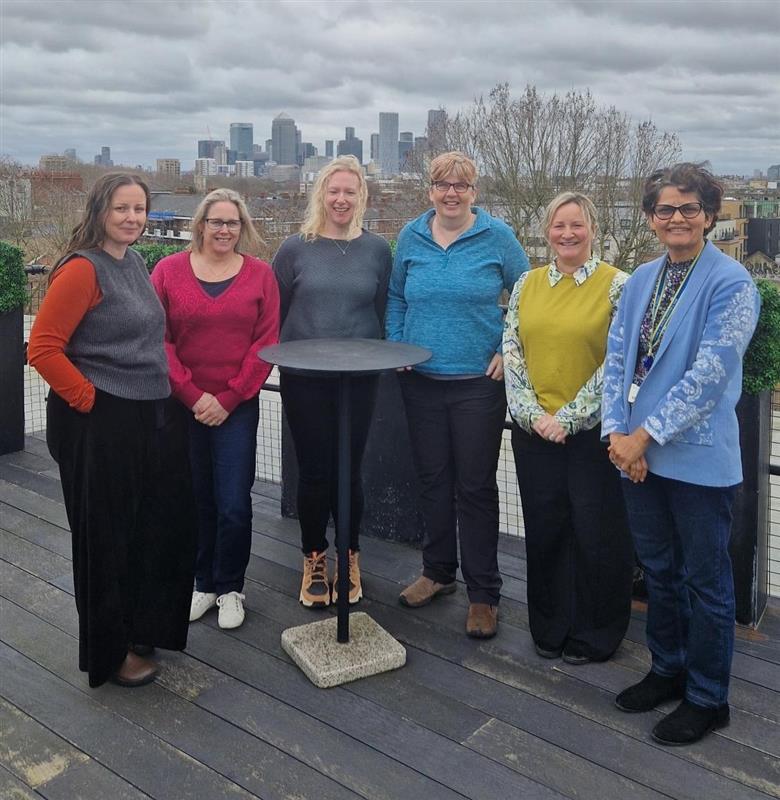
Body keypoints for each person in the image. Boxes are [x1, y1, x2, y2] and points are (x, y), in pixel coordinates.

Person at [602, 163, 760, 745]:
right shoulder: (640, 278)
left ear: (710, 216)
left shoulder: (732, 284)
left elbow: (709, 378)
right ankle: (666, 670)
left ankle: (707, 696)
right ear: (650, 218)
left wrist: (643, 438)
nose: (677, 218)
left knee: (706, 582)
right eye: (665, 209)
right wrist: (618, 436)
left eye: (689, 209)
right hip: (636, 457)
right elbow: (617, 360)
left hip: (694, 460)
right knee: (661, 574)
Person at [28, 173, 197, 688]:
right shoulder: (83, 270)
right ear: (100, 210)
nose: (132, 218)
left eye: (140, 209)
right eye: (122, 208)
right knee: (106, 541)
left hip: (145, 417)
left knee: (153, 529)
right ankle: (109, 653)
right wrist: (89, 401)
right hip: (100, 424)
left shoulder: (135, 262)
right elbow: (42, 349)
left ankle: (140, 627)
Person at [386, 151, 530, 639]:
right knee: (431, 480)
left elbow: (527, 297)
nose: (451, 193)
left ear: (474, 191)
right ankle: (438, 571)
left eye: (461, 185)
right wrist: (396, 341)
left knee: (474, 487)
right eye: (443, 184)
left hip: (477, 385)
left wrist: (507, 350)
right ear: (430, 190)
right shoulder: (411, 236)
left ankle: (484, 593)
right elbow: (396, 296)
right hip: (420, 379)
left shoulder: (498, 237)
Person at [503, 192, 633, 664]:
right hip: (533, 432)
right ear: (547, 232)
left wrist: (569, 418)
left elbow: (620, 363)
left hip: (592, 435)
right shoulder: (526, 284)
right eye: (559, 225)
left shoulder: (619, 285)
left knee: (597, 533)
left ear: (593, 229)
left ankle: (596, 633)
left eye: (577, 224)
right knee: (546, 528)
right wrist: (532, 414)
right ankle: (550, 625)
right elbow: (512, 350)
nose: (568, 234)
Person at [151, 189, 279, 630]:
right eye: (216, 221)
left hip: (236, 408)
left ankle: (230, 588)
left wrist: (227, 398)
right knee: (194, 500)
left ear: (242, 228)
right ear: (200, 224)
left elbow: (266, 342)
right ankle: (202, 583)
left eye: (233, 223)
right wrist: (191, 395)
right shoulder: (167, 271)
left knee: (232, 503)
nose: (224, 230)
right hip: (182, 406)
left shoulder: (261, 275)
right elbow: (158, 338)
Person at [272, 156, 392, 608]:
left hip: (358, 380)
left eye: (350, 191)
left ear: (362, 197)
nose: (341, 199)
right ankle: (314, 556)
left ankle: (350, 555)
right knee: (315, 471)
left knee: (350, 470)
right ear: (320, 194)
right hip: (304, 379)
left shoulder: (379, 250)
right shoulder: (293, 249)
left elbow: (381, 312)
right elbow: (275, 311)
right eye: (333, 190)